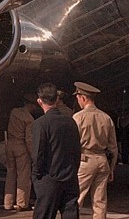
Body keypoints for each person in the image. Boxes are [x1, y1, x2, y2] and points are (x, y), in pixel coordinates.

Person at [31, 82, 81, 219]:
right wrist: (72, 171)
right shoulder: (71, 122)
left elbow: (38, 154)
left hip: (49, 179)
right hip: (69, 178)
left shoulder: (40, 124)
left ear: (39, 101)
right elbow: (77, 150)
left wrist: (36, 177)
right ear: (57, 99)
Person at [72, 81, 118, 219]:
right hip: (102, 160)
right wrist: (112, 167)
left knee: (76, 198)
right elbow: (113, 147)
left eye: (78, 98)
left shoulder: (78, 117)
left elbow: (73, 144)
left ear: (83, 98)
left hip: (85, 160)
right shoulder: (106, 118)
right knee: (100, 201)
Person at [4, 93, 36, 212]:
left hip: (10, 144)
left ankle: (8, 202)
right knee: (23, 175)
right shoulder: (29, 119)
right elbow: (28, 139)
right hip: (21, 146)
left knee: (10, 173)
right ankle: (22, 203)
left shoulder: (14, 112)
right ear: (31, 105)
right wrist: (33, 153)